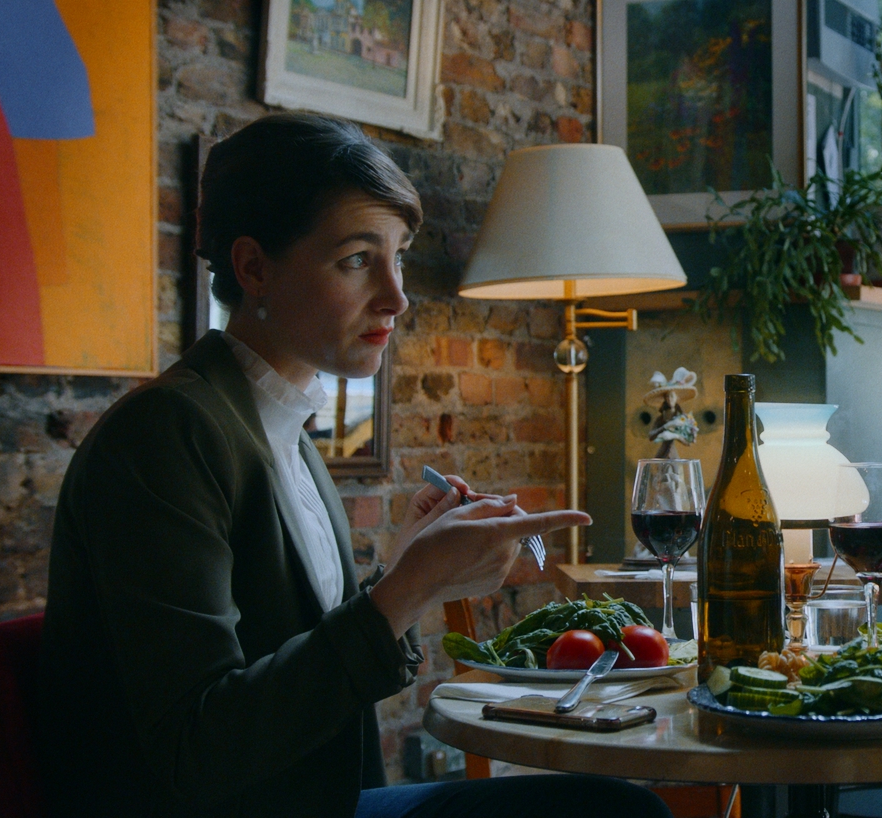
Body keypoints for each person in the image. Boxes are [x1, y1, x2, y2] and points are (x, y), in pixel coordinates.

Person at [34, 114, 673, 818]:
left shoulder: (277, 427)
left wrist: (409, 572)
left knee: (614, 807)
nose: (397, 297)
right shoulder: (167, 434)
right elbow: (198, 748)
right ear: (253, 267)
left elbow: (292, 657)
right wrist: (406, 588)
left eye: (397, 256)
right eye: (356, 260)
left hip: (322, 799)